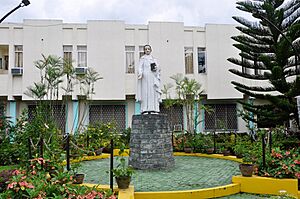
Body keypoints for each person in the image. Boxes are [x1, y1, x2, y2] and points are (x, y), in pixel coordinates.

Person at [136, 45, 162, 114]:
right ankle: (145, 109)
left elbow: (158, 68)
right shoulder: (142, 59)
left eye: (148, 49)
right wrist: (140, 73)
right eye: (146, 49)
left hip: (152, 77)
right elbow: (140, 67)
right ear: (144, 50)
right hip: (145, 77)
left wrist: (156, 69)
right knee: (145, 92)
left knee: (153, 93)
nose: (147, 50)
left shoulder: (153, 59)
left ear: (151, 50)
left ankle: (154, 108)